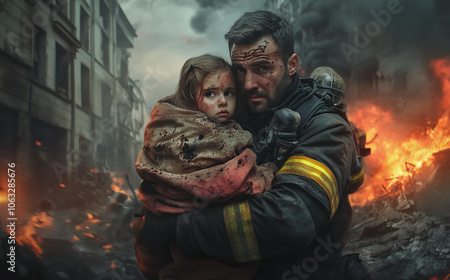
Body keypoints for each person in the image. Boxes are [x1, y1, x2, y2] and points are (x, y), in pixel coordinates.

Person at [136, 11, 369, 280]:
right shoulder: (228, 110)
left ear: (291, 65)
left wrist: (180, 229)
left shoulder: (325, 125)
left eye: (262, 68)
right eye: (240, 70)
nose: (248, 84)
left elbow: (293, 219)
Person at [134, 54, 276, 279]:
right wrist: (267, 173)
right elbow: (224, 184)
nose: (222, 101)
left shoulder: (225, 128)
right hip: (199, 257)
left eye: (228, 93)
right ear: (192, 98)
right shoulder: (191, 137)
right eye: (210, 93)